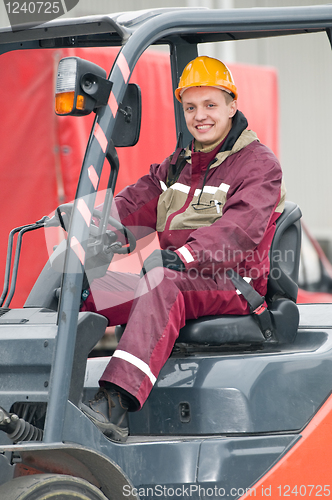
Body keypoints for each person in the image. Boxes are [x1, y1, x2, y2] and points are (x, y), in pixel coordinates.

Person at [80, 55, 285, 442]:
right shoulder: (179, 163)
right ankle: (53, 392)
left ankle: (112, 404)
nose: (199, 115)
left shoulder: (258, 165)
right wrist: (93, 224)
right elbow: (134, 199)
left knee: (161, 283)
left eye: (210, 105)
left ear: (232, 105)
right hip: (175, 269)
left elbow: (238, 232)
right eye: (191, 107)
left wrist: (184, 256)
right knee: (88, 292)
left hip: (230, 280)